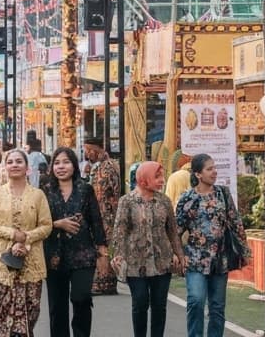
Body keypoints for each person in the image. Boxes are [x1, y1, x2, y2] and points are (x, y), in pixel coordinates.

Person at [0, 149, 52, 337]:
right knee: (1, 320)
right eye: (10, 162)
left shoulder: (38, 195)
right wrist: (13, 235)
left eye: (19, 161)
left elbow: (46, 225)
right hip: (0, 265)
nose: (14, 165)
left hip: (31, 264)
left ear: (27, 168)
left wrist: (26, 238)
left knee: (29, 317)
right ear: (5, 167)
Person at [174, 154, 247, 337]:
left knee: (217, 307)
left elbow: (235, 222)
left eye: (214, 168)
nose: (214, 172)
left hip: (220, 260)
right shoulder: (187, 199)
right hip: (195, 260)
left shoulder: (223, 194)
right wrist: (177, 254)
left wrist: (243, 251)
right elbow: (176, 230)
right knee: (196, 301)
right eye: (209, 169)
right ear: (198, 174)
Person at [110, 161, 183, 337]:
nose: (162, 180)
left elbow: (172, 231)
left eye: (162, 176)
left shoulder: (164, 201)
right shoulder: (127, 201)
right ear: (143, 179)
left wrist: (179, 254)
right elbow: (119, 230)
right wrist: (118, 255)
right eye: (157, 176)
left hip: (162, 261)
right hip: (135, 262)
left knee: (159, 305)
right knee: (140, 302)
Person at [42, 147, 106, 337]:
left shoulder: (85, 189)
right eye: (57, 163)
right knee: (57, 306)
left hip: (83, 254)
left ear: (74, 165)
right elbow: (37, 223)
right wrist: (57, 224)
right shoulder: (45, 191)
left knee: (81, 297)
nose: (61, 167)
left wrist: (103, 252)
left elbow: (96, 220)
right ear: (52, 167)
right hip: (54, 255)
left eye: (66, 162)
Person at [81, 138, 120, 297]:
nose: (87, 154)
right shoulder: (96, 167)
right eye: (86, 150)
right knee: (98, 246)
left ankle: (106, 283)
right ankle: (100, 282)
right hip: (97, 213)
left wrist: (112, 213)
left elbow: (114, 192)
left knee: (105, 246)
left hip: (107, 214)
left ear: (97, 149)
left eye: (89, 150)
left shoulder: (110, 166)